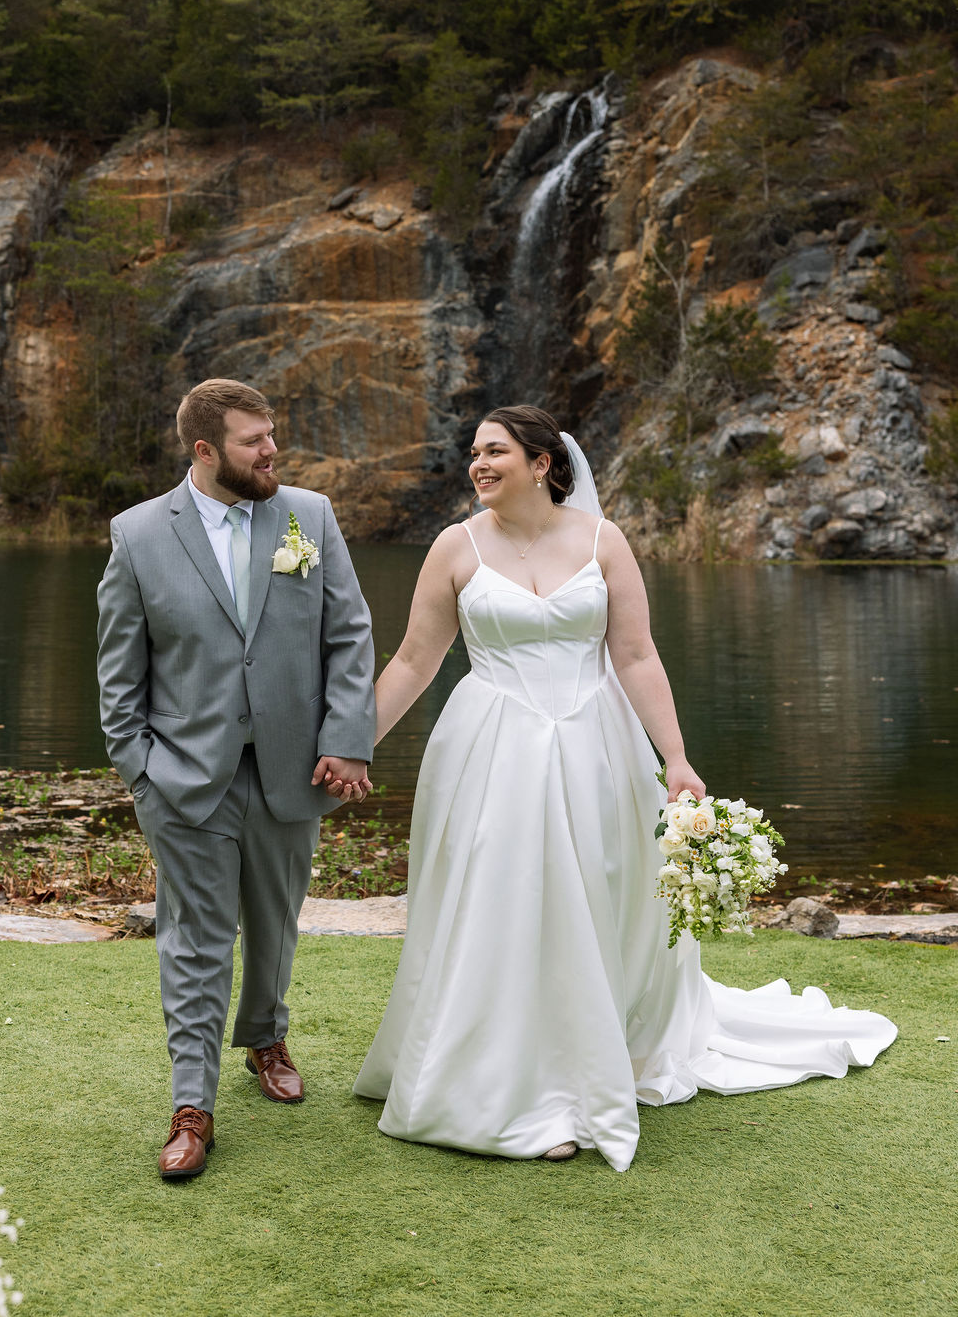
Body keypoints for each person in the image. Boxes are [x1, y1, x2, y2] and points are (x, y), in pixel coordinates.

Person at [354, 405, 896, 1171]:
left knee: (596, 898)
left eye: (495, 451)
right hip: (489, 751)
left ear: (543, 462)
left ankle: (583, 1070)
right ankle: (493, 1077)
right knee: (496, 895)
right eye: (473, 452)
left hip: (595, 746)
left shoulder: (603, 542)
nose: (477, 464)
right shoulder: (455, 546)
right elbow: (413, 661)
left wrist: (676, 758)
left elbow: (636, 654)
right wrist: (350, 748)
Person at [97, 378, 375, 1180]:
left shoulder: (307, 517)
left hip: (295, 766)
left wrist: (348, 741)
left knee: (276, 918)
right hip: (183, 775)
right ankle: (194, 1104)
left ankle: (265, 1032)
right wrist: (140, 772)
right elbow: (120, 676)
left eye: (273, 434)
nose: (273, 451)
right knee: (192, 937)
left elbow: (349, 635)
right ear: (206, 450)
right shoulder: (139, 534)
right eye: (256, 440)